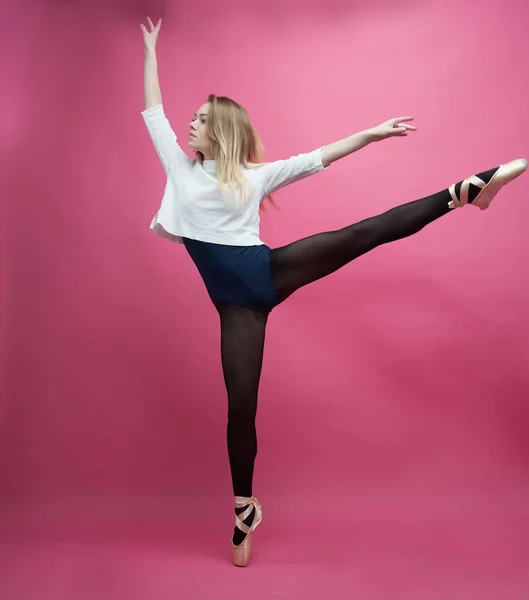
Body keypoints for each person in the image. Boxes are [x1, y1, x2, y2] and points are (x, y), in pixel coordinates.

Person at [139, 17, 527, 567]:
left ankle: (467, 189)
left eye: (201, 120)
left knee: (358, 235)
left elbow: (317, 159)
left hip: (268, 272)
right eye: (193, 118)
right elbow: (153, 113)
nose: (191, 124)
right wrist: (151, 51)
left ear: (221, 132)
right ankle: (244, 509)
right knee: (241, 409)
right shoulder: (179, 171)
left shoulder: (254, 176)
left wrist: (370, 134)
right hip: (238, 307)